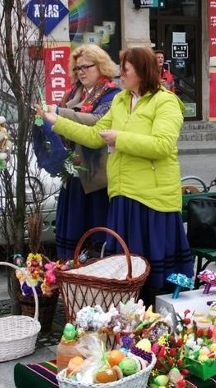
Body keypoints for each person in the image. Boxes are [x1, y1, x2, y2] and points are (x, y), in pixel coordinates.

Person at [37, 46, 193, 303]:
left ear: (142, 72)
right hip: (122, 194)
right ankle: (131, 312)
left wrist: (119, 139)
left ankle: (158, 312)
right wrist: (57, 121)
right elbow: (93, 136)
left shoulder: (165, 102)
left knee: (154, 269)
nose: (121, 75)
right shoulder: (121, 101)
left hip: (152, 198)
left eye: (126, 70)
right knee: (127, 266)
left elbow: (162, 145)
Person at [44, 44, 120, 260]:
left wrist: (58, 114)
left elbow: (97, 122)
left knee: (96, 233)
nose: (81, 72)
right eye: (77, 68)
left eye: (87, 66)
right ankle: (71, 275)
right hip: (73, 175)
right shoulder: (72, 93)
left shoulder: (112, 94)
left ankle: (96, 277)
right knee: (72, 233)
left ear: (102, 66)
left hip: (96, 178)